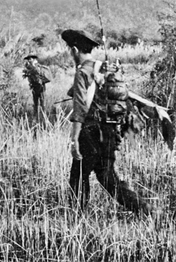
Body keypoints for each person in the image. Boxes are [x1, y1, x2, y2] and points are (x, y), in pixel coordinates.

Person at [61, 29, 152, 216]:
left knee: (78, 175)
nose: (71, 54)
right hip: (110, 130)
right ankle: (144, 209)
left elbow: (80, 109)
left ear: (75, 50)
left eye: (70, 50)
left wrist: (74, 139)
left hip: (90, 132)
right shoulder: (103, 69)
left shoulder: (82, 73)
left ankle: (76, 219)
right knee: (109, 179)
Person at [23, 54, 50, 119]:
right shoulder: (29, 67)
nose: (29, 60)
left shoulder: (38, 67)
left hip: (41, 87)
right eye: (28, 59)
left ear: (34, 59)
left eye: (30, 59)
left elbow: (38, 75)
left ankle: (43, 118)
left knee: (42, 104)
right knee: (35, 104)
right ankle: (36, 117)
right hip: (34, 87)